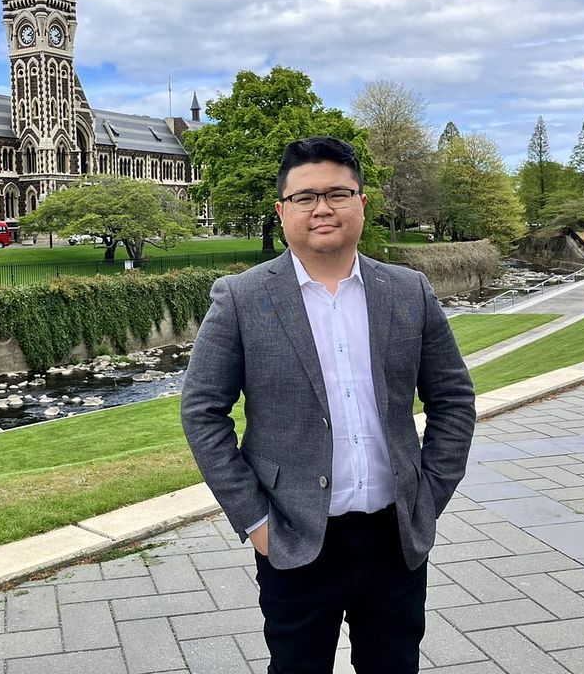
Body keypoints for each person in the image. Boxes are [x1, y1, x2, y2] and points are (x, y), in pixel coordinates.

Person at [181, 136, 475, 674]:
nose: (322, 208)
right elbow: (202, 412)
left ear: (362, 202)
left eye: (338, 193)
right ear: (282, 210)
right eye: (305, 197)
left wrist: (430, 495)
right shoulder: (241, 297)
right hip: (293, 537)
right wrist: (255, 521)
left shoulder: (409, 290)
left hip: (395, 538)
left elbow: (453, 398)